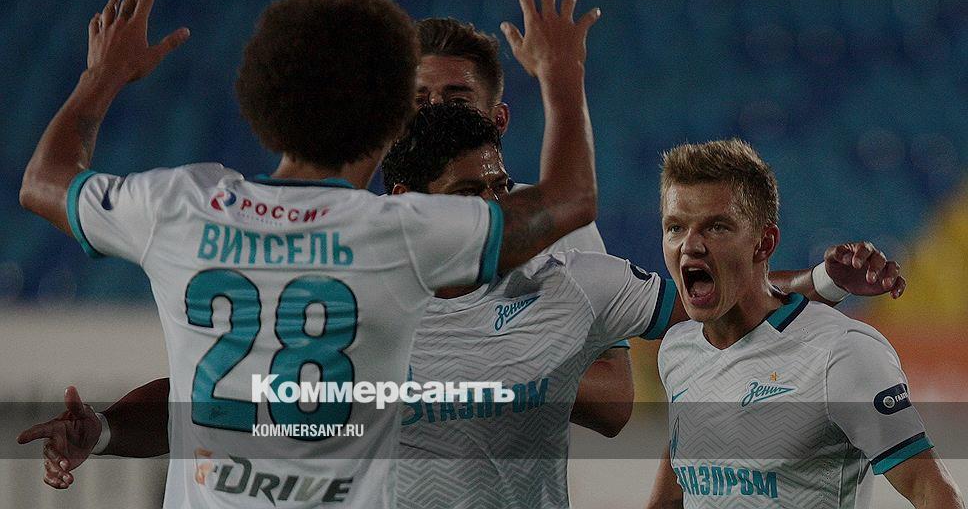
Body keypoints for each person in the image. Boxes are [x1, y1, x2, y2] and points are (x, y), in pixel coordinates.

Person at [21, 105, 908, 509]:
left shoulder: (571, 283)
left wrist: (825, 285)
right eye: (469, 194)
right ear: (409, 203)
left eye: (499, 187)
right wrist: (105, 430)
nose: (495, 209)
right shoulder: (349, 290)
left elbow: (719, 307)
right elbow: (218, 405)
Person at [18, 0, 603, 508]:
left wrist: (102, 76)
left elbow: (44, 181)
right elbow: (570, 198)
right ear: (392, 120)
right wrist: (561, 71)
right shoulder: (404, 235)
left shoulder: (179, 206)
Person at [646, 139, 963, 508]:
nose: (690, 245)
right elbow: (678, 486)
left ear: (764, 244)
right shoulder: (678, 349)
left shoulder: (840, 353)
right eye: (675, 227)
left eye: (716, 227)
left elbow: (930, 490)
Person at [414, 16, 632, 437]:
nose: (436, 114)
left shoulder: (559, 229)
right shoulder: (366, 232)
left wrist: (485, 363)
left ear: (498, 120)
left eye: (457, 101)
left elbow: (614, 400)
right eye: (420, 102)